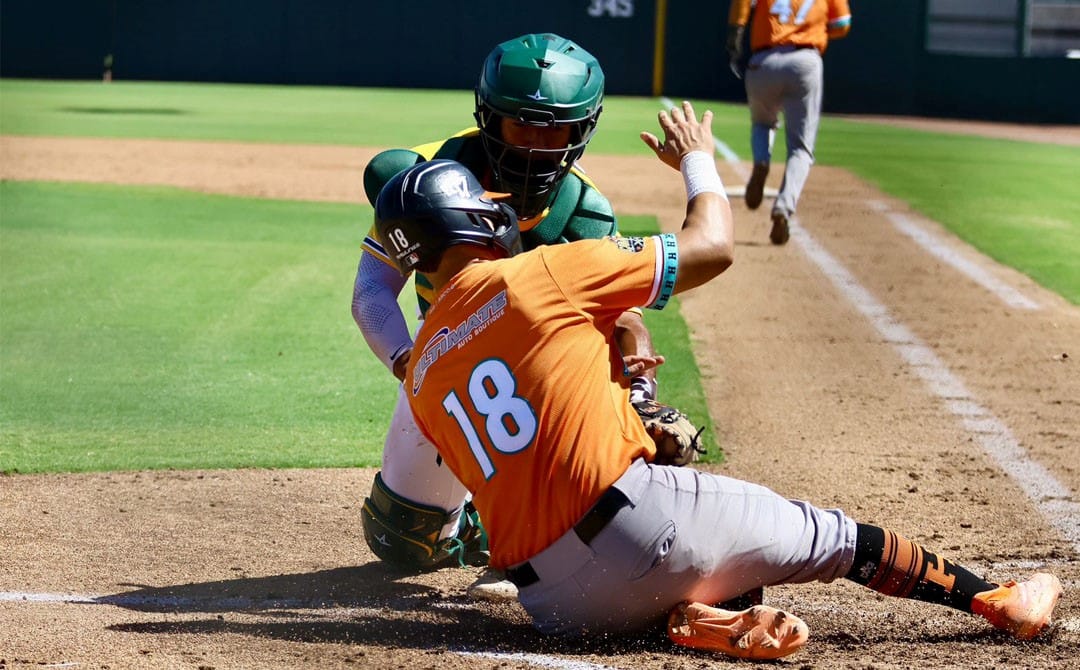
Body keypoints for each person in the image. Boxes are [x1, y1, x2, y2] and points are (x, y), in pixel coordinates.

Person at [374, 101, 1062, 661]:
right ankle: (995, 600)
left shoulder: (424, 369)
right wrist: (697, 162)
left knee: (674, 559)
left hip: (553, 604)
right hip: (649, 531)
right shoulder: (539, 274)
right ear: (476, 218)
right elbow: (712, 246)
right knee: (840, 539)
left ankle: (702, 618)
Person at [352, 33, 686, 597]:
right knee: (400, 540)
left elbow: (624, 319)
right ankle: (471, 523)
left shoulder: (585, 213)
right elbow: (373, 289)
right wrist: (410, 364)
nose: (533, 145)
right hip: (450, 375)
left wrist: (640, 390)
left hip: (544, 386)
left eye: (552, 128)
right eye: (520, 125)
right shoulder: (429, 172)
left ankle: (557, 526)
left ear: (582, 130)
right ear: (487, 116)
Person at [726, 0, 852, 245]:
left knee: (763, 123)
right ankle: (783, 207)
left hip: (764, 60)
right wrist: (815, 29)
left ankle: (762, 160)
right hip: (804, 61)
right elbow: (843, 24)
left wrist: (735, 37)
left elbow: (741, 7)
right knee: (800, 148)